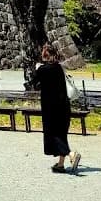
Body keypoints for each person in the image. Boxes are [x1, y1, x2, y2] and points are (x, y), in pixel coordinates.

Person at [33, 44, 80, 174]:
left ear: (44, 56)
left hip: (51, 108)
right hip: (64, 106)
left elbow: (35, 82)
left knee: (54, 134)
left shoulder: (42, 70)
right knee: (61, 134)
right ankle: (60, 164)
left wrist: (37, 69)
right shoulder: (59, 68)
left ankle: (71, 154)